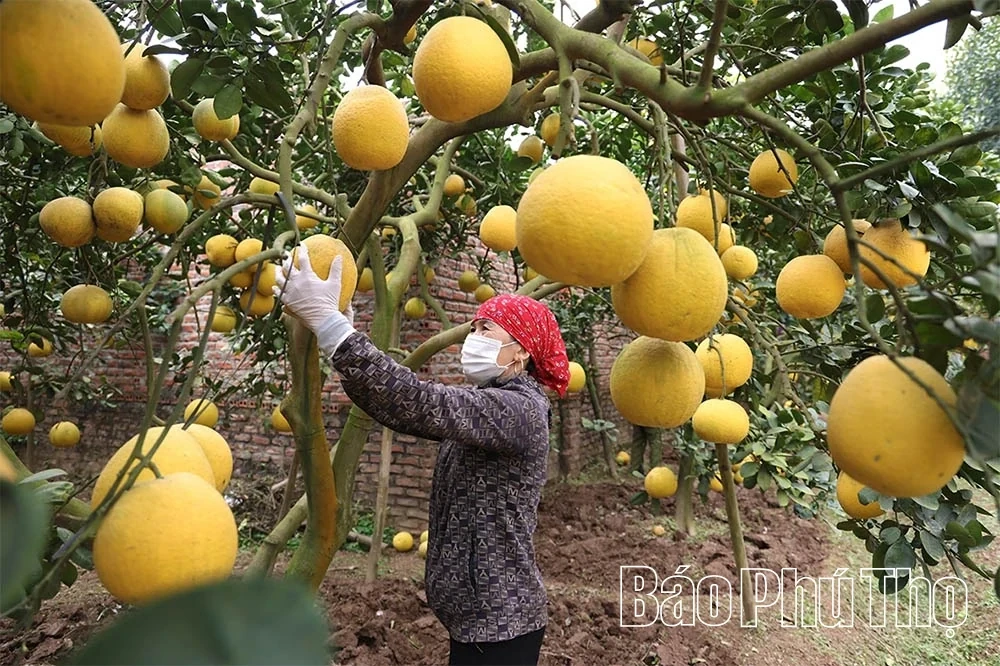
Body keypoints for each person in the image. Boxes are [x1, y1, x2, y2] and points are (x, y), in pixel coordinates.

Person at [274, 245, 571, 666]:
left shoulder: (518, 411)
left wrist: (332, 327)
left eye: (488, 330)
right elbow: (397, 407)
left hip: (501, 625)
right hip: (477, 620)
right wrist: (342, 337)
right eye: (474, 328)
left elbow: (418, 401)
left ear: (521, 352)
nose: (473, 338)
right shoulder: (489, 404)